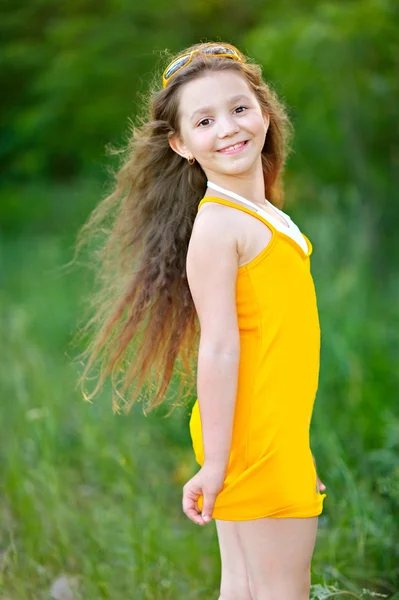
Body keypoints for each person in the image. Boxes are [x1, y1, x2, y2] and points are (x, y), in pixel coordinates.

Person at [74, 41, 327, 600]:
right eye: (204, 120)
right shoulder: (218, 227)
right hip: (249, 437)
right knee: (282, 591)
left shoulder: (263, 211)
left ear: (264, 109)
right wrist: (217, 464)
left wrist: (290, 448)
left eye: (239, 108)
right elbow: (217, 349)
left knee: (242, 587)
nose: (229, 128)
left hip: (263, 433)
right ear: (181, 144)